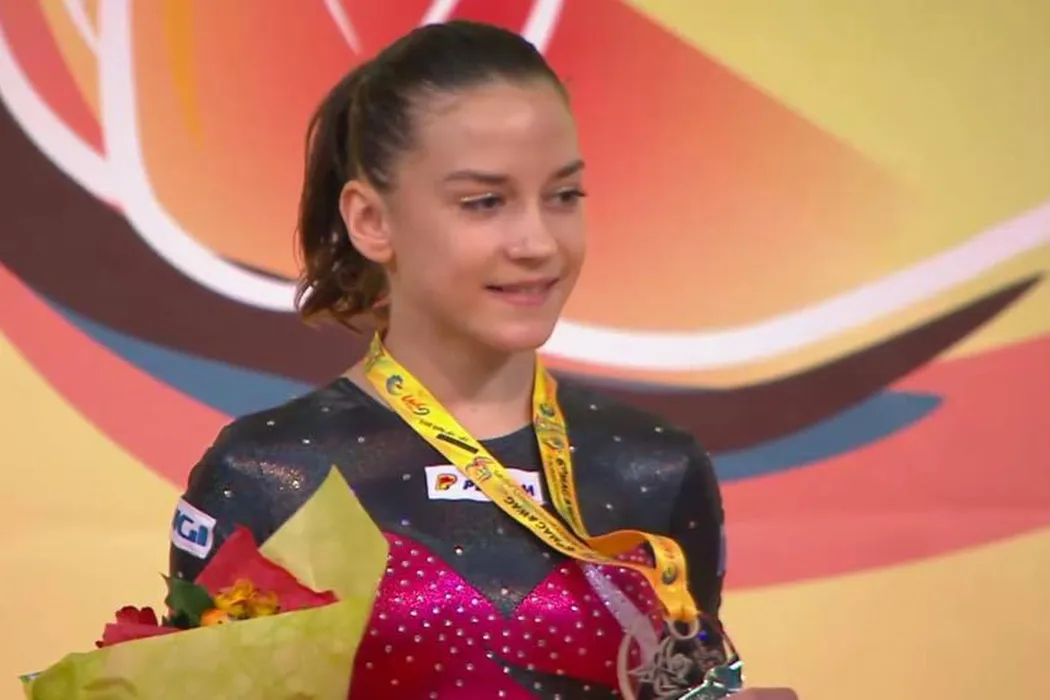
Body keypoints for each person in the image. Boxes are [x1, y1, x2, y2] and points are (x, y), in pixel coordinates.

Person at [169, 19, 794, 700]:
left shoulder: (658, 468)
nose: (538, 242)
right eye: (485, 202)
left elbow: (685, 682)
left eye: (563, 196)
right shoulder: (268, 473)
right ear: (371, 220)